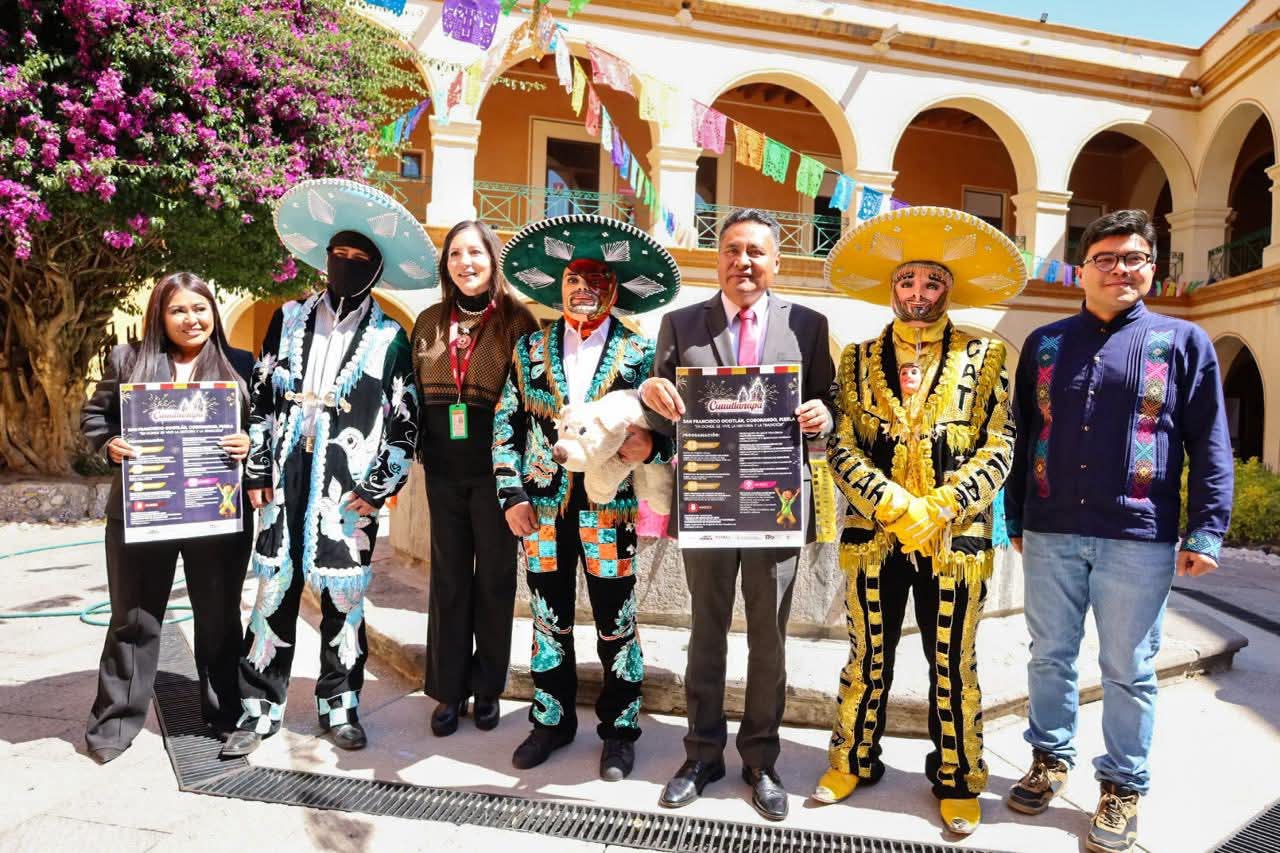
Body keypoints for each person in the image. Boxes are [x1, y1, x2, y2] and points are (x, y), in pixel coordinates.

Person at [1003, 210, 1233, 853]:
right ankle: (1049, 758)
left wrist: (1205, 531)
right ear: (1082, 270)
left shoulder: (1183, 344)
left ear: (1151, 270)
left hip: (1139, 536)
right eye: (1105, 258)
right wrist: (1014, 515)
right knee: (1049, 654)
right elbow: (1025, 435)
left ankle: (1122, 785)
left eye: (1133, 258)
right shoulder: (1045, 344)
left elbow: (1208, 443)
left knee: (1128, 668)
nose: (1119, 269)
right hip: (1051, 530)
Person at [814, 206, 1023, 835]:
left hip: (954, 539)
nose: (919, 293)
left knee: (953, 660)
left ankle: (959, 777)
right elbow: (840, 444)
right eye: (908, 281)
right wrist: (891, 503)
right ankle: (854, 758)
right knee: (866, 653)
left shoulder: (987, 355)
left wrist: (940, 505)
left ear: (948, 290)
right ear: (892, 289)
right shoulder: (853, 359)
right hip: (874, 536)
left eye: (932, 282)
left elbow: (1000, 444)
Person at [220, 178, 430, 757]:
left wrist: (379, 484)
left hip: (348, 484)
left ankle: (341, 706)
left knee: (344, 599)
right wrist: (258, 471)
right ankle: (257, 708)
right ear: (325, 258)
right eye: (340, 254)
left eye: (361, 259)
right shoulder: (286, 319)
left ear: (375, 271)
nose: (348, 265)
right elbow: (261, 397)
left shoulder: (391, 338)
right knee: (272, 590)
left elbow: (406, 421)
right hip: (285, 470)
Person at [640, 208, 835, 822]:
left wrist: (822, 419)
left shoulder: (808, 324)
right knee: (705, 631)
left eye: (755, 251)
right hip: (707, 504)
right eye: (731, 250)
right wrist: (651, 396)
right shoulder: (679, 324)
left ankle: (760, 758)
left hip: (774, 504)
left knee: (770, 638)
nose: (742, 261)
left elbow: (829, 403)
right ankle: (701, 754)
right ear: (717, 258)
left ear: (776, 263)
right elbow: (656, 415)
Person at [493, 213, 678, 780]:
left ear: (614, 290)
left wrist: (651, 449)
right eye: (574, 278)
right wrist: (511, 494)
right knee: (548, 617)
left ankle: (620, 731)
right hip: (542, 508)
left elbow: (670, 433)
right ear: (559, 286)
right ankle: (550, 720)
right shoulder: (529, 349)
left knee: (616, 620)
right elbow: (506, 424)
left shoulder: (640, 353)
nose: (583, 289)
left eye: (596, 279)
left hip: (610, 510)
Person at [81, 272, 255, 763]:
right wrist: (109, 444)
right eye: (178, 309)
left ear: (213, 312)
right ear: (160, 314)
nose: (191, 319)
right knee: (134, 619)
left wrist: (252, 443)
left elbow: (266, 423)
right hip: (144, 512)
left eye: (200, 308)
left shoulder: (240, 364)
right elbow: (95, 417)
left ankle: (224, 714)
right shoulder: (129, 360)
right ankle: (113, 724)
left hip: (216, 516)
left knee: (219, 618)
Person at [409, 220, 537, 736]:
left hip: (496, 474)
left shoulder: (516, 321)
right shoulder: (427, 321)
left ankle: (487, 689)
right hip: (442, 471)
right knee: (449, 581)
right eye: (456, 254)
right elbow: (412, 397)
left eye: (476, 253)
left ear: (492, 259)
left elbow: (529, 403)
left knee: (495, 582)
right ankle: (448, 690)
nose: (466, 263)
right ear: (446, 264)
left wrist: (521, 482)